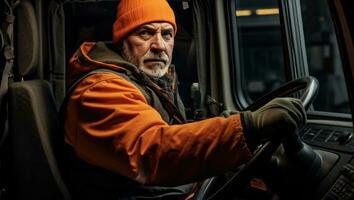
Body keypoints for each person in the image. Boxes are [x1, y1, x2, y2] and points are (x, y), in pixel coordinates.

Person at [62, 0, 306, 199]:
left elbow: (174, 133)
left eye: (167, 34)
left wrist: (224, 124)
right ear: (122, 40)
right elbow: (154, 151)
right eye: (145, 33)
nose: (159, 45)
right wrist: (247, 127)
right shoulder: (99, 91)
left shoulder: (152, 80)